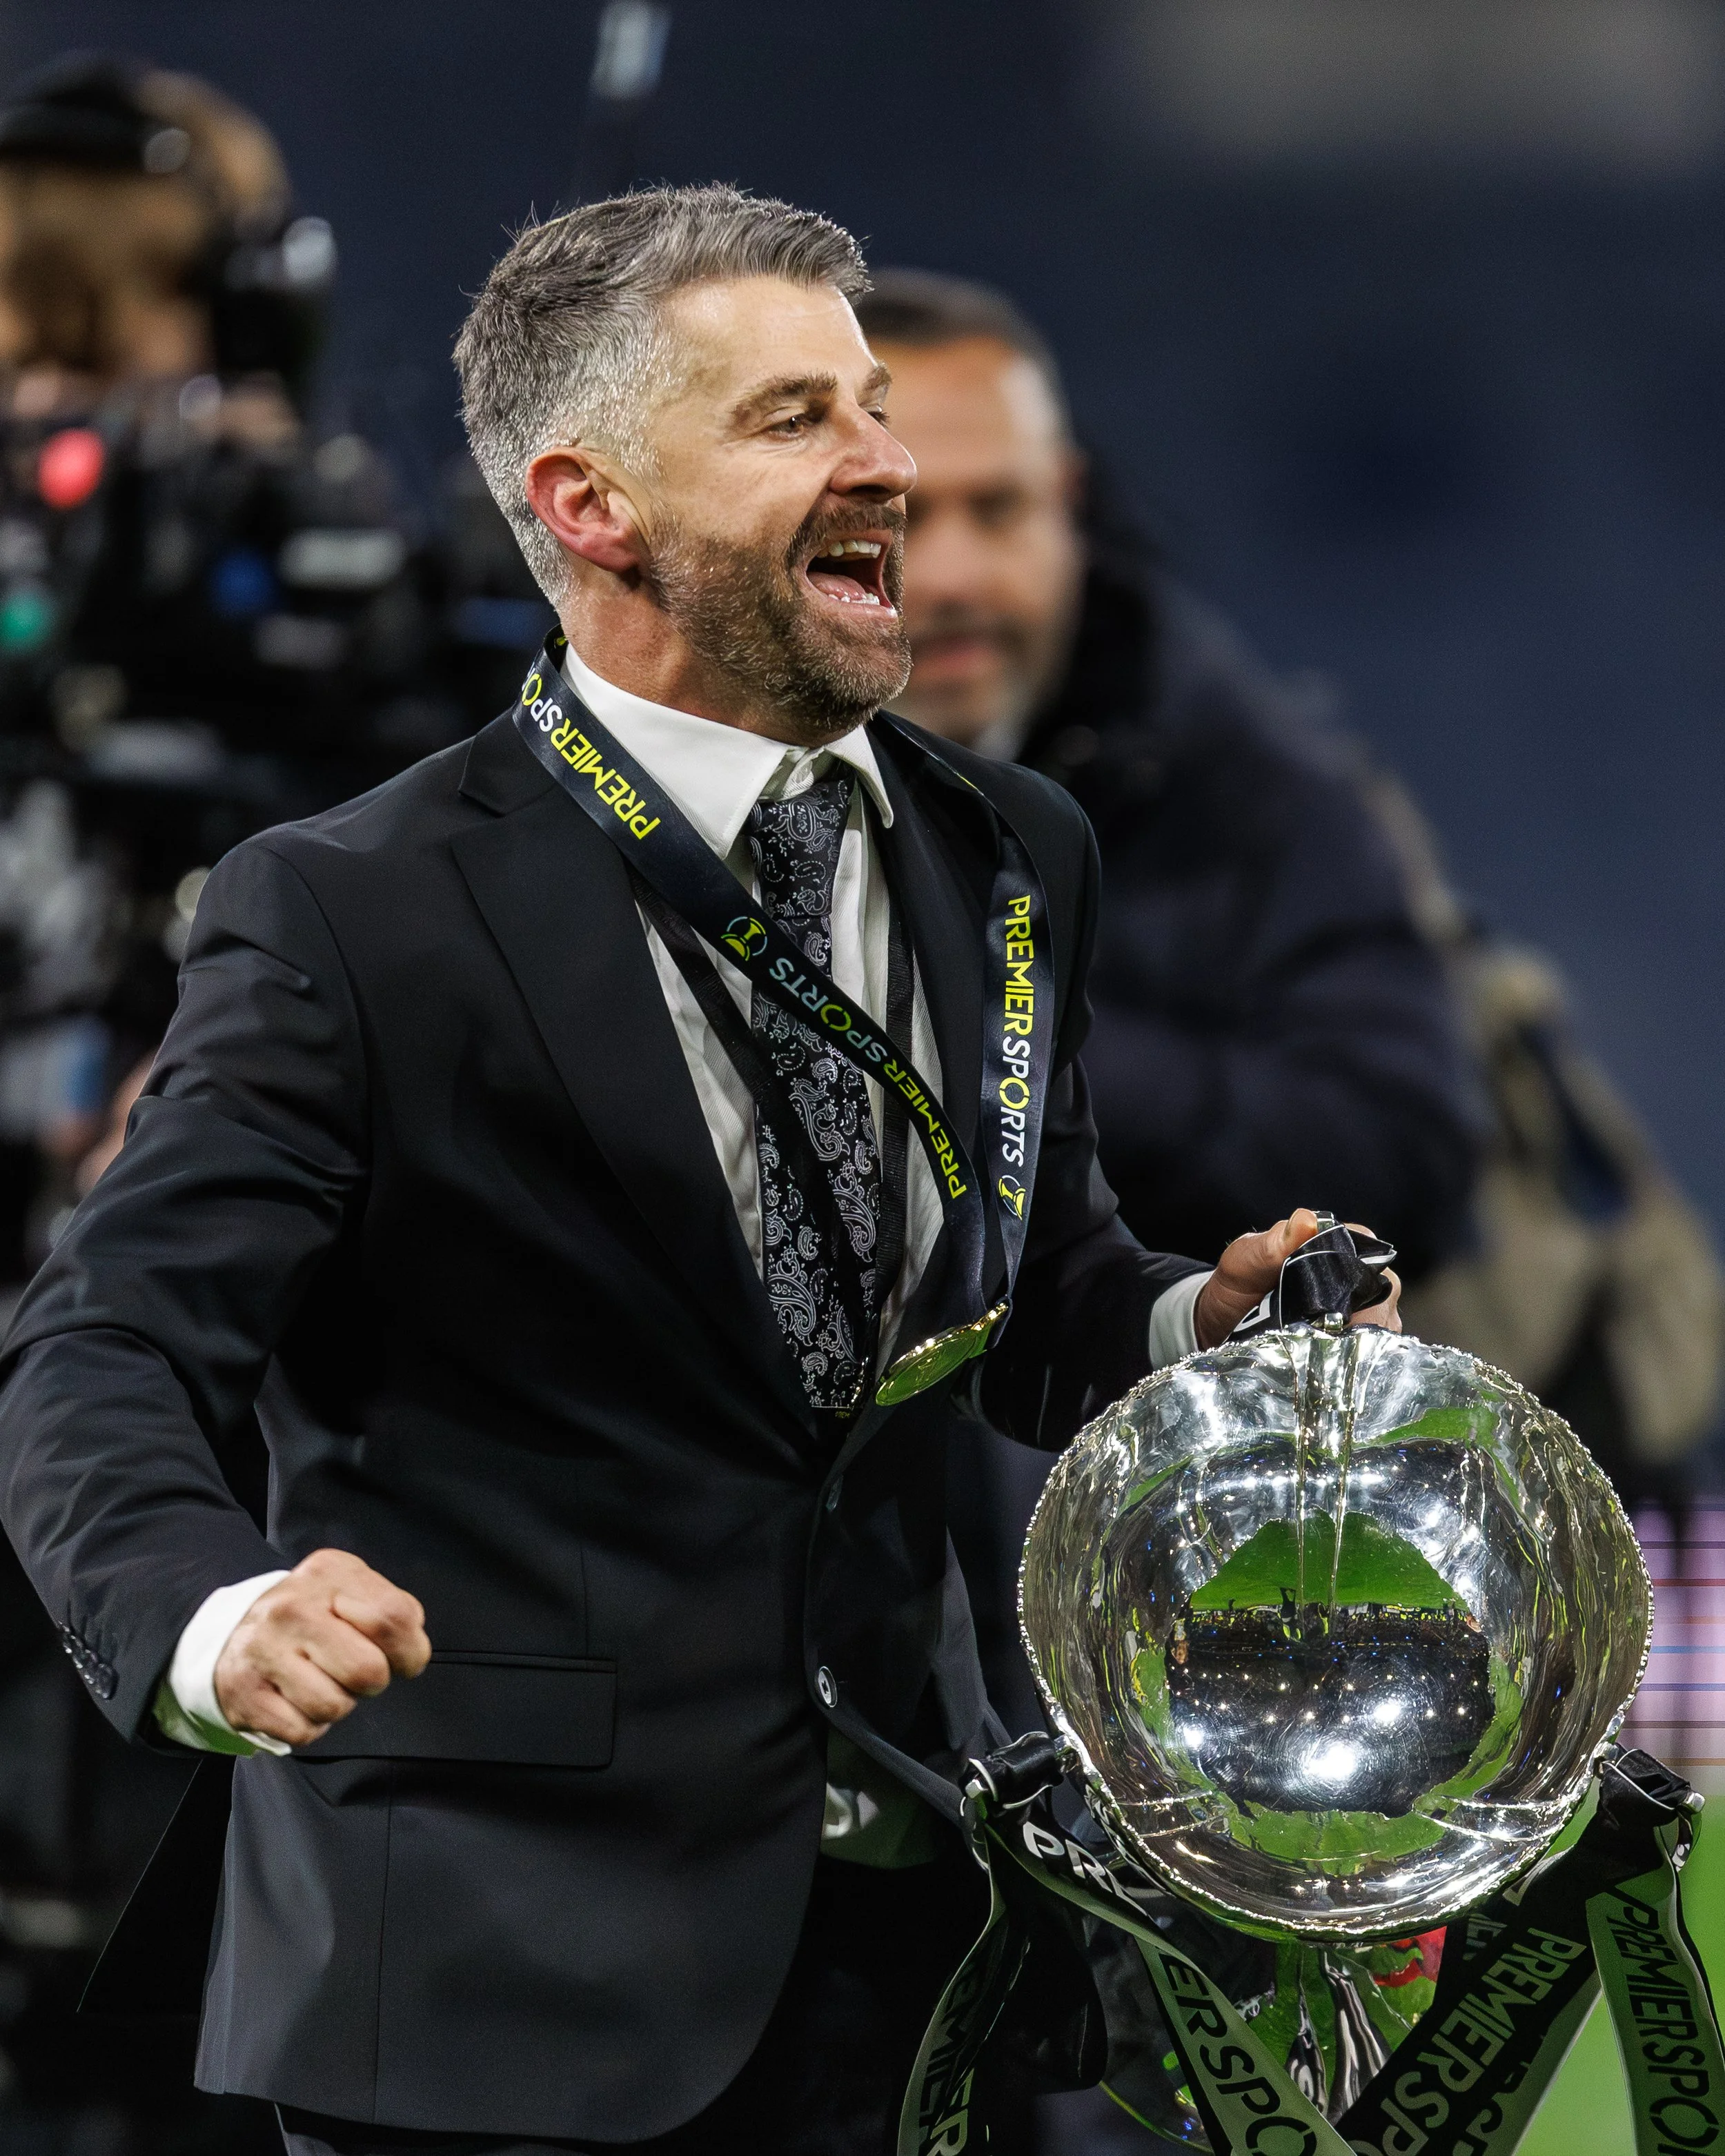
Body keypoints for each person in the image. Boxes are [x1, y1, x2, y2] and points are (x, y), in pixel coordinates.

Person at [0, 184, 1408, 2155]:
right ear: (590, 506)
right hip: (499, 1977)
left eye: (870, 401)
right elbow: (104, 1347)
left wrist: (1185, 1316)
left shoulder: (1009, 847)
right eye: (792, 417)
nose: (888, 464)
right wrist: (208, 1619)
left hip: (917, 1954)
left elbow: (1015, 1293)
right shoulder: (352, 908)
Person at [853, 270, 1483, 1743]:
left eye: (999, 510)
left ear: (1069, 506)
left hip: (1153, 1511)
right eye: (901, 518)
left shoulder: (1222, 756)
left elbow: (1404, 1145)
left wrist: (997, 1046)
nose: (952, 578)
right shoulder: (653, 762)